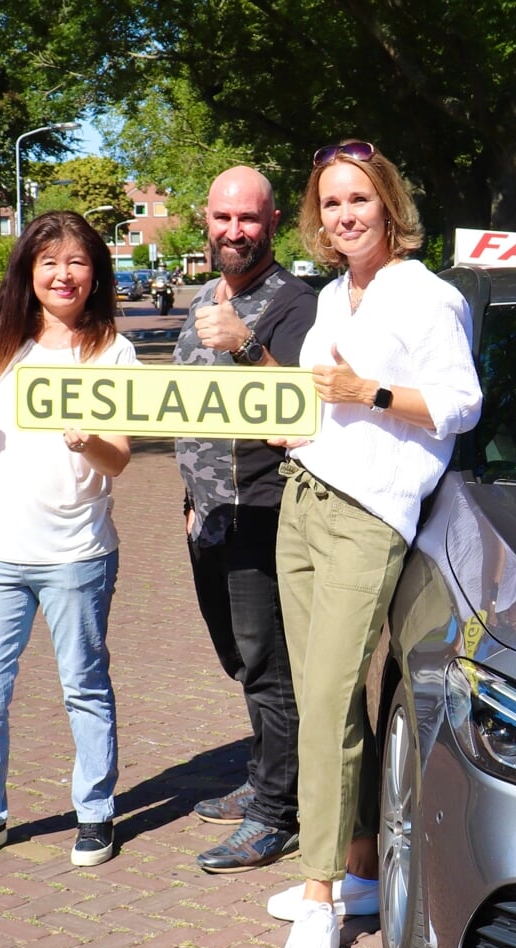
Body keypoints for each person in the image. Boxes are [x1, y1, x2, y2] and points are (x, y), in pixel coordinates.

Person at [269, 141, 482, 948]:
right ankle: (359, 873)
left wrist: (373, 395)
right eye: (329, 203)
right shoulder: (332, 294)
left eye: (357, 199)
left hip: (366, 519)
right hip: (303, 499)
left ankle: (319, 898)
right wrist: (301, 424)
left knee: (326, 702)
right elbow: (321, 398)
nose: (343, 215)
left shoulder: (424, 296)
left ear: (389, 205)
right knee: (324, 700)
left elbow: (461, 404)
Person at [0, 210, 138, 869]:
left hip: (76, 552)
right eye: (48, 261)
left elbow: (119, 459)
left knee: (83, 683)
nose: (62, 273)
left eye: (75, 261)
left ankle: (96, 810)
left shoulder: (111, 351)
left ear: (95, 272)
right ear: (28, 271)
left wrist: (89, 438)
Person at [174, 166, 317, 874]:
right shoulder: (204, 296)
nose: (234, 231)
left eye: (249, 219)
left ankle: (276, 813)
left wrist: (241, 343)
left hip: (262, 514)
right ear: (206, 218)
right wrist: (190, 500)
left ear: (274, 221)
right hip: (210, 516)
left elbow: (298, 408)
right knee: (239, 658)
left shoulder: (294, 306)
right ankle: (264, 774)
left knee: (270, 665)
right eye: (223, 218)